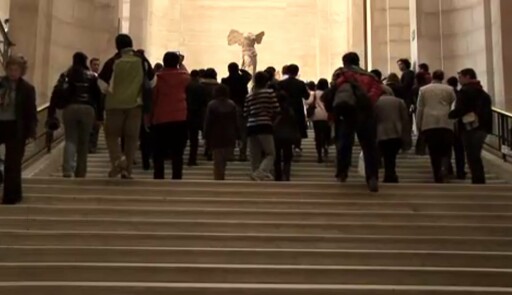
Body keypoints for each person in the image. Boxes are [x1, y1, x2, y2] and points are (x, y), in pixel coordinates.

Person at [97, 34, 155, 179]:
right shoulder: (142, 60)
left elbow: (102, 84)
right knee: (131, 139)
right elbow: (153, 81)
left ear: (117, 46)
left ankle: (118, 160)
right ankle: (126, 170)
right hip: (135, 105)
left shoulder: (113, 61)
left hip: (114, 105)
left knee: (111, 136)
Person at [325, 52, 383, 192]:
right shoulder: (370, 77)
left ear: (344, 62)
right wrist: (364, 103)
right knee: (369, 146)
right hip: (365, 114)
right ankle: (372, 177)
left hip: (346, 113)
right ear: (358, 61)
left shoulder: (341, 75)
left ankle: (342, 172)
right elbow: (375, 94)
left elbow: (334, 93)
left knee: (344, 143)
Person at [50, 52, 103, 178]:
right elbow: (98, 96)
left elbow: (56, 92)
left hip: (70, 108)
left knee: (70, 139)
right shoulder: (92, 76)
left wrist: (52, 112)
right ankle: (81, 171)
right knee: (84, 142)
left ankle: (67, 169)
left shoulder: (67, 75)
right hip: (87, 109)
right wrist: (100, 116)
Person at [0, 56, 37, 205]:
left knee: (13, 163)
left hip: (16, 127)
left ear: (21, 71)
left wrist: (31, 131)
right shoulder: (0, 84)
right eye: (10, 69)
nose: (13, 72)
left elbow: (31, 112)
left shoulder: (27, 89)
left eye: (16, 70)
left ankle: (12, 196)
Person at [150, 52, 190, 180]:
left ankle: (158, 177)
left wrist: (148, 117)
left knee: (158, 153)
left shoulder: (157, 78)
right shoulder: (185, 77)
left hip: (160, 118)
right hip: (180, 117)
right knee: (178, 153)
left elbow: (153, 98)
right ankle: (177, 178)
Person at [449, 68, 492, 184]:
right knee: (475, 154)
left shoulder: (465, 91)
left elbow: (461, 109)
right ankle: (479, 179)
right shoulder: (482, 92)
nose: (459, 80)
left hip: (470, 127)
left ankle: (477, 180)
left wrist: (450, 114)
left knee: (472, 155)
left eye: (460, 77)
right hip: (483, 127)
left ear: (468, 76)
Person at [416, 70, 456, 183]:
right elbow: (454, 104)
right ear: (442, 77)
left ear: (432, 77)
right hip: (446, 121)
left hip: (429, 123)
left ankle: (437, 174)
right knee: (446, 148)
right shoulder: (449, 89)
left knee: (434, 151)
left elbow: (420, 108)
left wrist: (419, 124)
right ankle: (445, 167)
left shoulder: (423, 90)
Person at [244, 71, 280, 181]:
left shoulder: (249, 95)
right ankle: (262, 171)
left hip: (251, 125)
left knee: (254, 155)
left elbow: (246, 113)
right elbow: (276, 109)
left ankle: (255, 173)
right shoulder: (269, 93)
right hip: (265, 124)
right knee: (270, 153)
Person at [204, 85, 239, 180]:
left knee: (218, 161)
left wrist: (206, 135)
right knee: (225, 158)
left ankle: (219, 178)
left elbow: (208, 122)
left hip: (216, 135)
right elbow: (236, 121)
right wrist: (238, 135)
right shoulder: (232, 104)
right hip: (229, 134)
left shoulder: (212, 105)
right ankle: (222, 174)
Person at [374, 93, 412, 183]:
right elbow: (405, 119)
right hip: (396, 132)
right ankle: (390, 173)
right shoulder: (399, 101)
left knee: (385, 154)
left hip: (381, 132)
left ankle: (386, 174)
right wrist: (406, 134)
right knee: (391, 156)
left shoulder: (376, 102)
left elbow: (374, 118)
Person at [221, 62, 252, 161]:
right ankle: (242, 154)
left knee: (230, 131)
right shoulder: (243, 79)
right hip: (242, 106)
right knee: (243, 132)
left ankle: (230, 154)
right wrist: (242, 70)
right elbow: (249, 75)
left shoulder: (225, 80)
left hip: (229, 107)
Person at [277, 64, 310, 155]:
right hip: (297, 108)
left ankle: (286, 146)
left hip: (284, 108)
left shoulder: (281, 83)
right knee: (298, 128)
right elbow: (306, 96)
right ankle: (297, 146)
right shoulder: (300, 83)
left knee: (285, 127)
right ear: (297, 72)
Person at [273, 89, 300, 181]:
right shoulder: (290, 110)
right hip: (288, 135)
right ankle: (286, 174)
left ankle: (278, 175)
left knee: (276, 156)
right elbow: (294, 123)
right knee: (287, 156)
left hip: (276, 134)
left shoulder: (274, 109)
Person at [447, 76, 467, 179]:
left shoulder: (446, 94)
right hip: (459, 125)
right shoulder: (460, 94)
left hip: (448, 124)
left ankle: (448, 168)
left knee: (447, 149)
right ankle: (460, 171)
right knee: (459, 150)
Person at [186, 69, 207, 166]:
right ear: (198, 76)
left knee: (183, 137)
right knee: (194, 139)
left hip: (185, 113)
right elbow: (204, 102)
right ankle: (192, 159)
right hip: (197, 114)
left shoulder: (186, 86)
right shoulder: (201, 87)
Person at [306, 78, 330, 163]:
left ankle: (319, 154)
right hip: (327, 115)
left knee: (318, 135)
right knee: (326, 132)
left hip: (316, 115)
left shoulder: (315, 94)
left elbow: (308, 102)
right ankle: (326, 145)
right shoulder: (329, 93)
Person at [200, 68, 220, 161]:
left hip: (202, 110)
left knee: (206, 129)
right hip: (216, 110)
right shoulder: (218, 86)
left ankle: (206, 148)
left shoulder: (200, 85)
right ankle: (210, 150)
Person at [88, 57, 102, 154]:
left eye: (98, 65)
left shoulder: (100, 78)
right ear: (91, 65)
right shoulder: (88, 77)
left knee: (96, 127)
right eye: (94, 64)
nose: (96, 67)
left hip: (97, 106)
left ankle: (93, 145)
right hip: (90, 104)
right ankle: (89, 145)